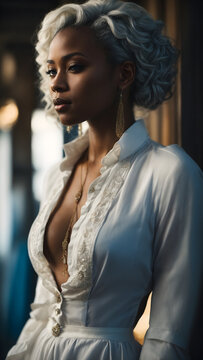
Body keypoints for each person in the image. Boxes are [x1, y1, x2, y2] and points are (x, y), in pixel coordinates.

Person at [6, 0, 203, 359]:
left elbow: (169, 334)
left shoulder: (169, 173)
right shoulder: (56, 176)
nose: (57, 84)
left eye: (75, 67)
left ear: (123, 75)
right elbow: (41, 313)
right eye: (51, 72)